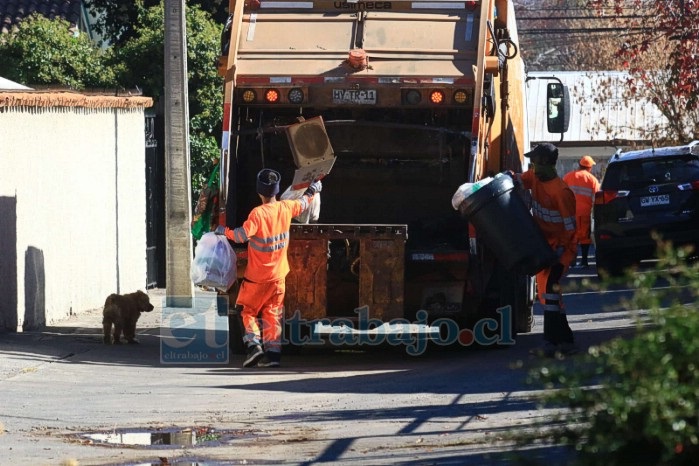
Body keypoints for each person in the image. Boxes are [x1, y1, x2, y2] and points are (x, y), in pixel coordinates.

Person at [215, 169, 322, 368]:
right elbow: (304, 203)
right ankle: (273, 356)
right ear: (277, 190)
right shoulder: (286, 208)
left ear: (259, 192)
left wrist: (224, 231)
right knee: (273, 314)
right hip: (278, 276)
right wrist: (313, 189)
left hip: (256, 278)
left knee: (247, 311)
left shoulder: (258, 214)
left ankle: (254, 346)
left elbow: (240, 236)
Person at [511, 143, 578, 356]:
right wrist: (508, 176)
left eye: (536, 162)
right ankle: (565, 341)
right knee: (549, 296)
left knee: (550, 292)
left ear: (546, 163)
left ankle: (550, 342)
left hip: (561, 250)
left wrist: (561, 251)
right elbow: (520, 179)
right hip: (544, 247)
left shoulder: (562, 192)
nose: (533, 166)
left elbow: (570, 227)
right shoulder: (535, 177)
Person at [563, 155, 601, 267]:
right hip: (583, 213)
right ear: (589, 167)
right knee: (584, 237)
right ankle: (584, 261)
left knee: (571, 237)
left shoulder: (568, 176)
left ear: (580, 165)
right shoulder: (592, 179)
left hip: (569, 213)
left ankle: (571, 261)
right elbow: (598, 197)